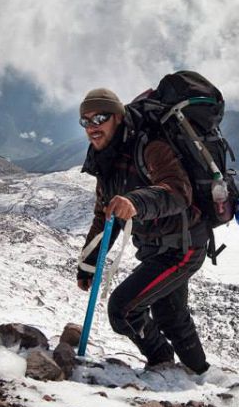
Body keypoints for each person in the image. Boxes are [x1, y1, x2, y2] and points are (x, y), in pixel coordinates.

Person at [76, 87, 210, 374]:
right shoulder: (105, 161)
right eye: (85, 121)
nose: (92, 127)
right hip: (155, 248)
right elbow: (105, 216)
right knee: (171, 316)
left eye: (99, 117)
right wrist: (88, 265)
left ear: (118, 117)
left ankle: (162, 362)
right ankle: (199, 375)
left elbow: (177, 192)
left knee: (122, 310)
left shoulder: (150, 147)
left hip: (183, 247)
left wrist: (136, 202)